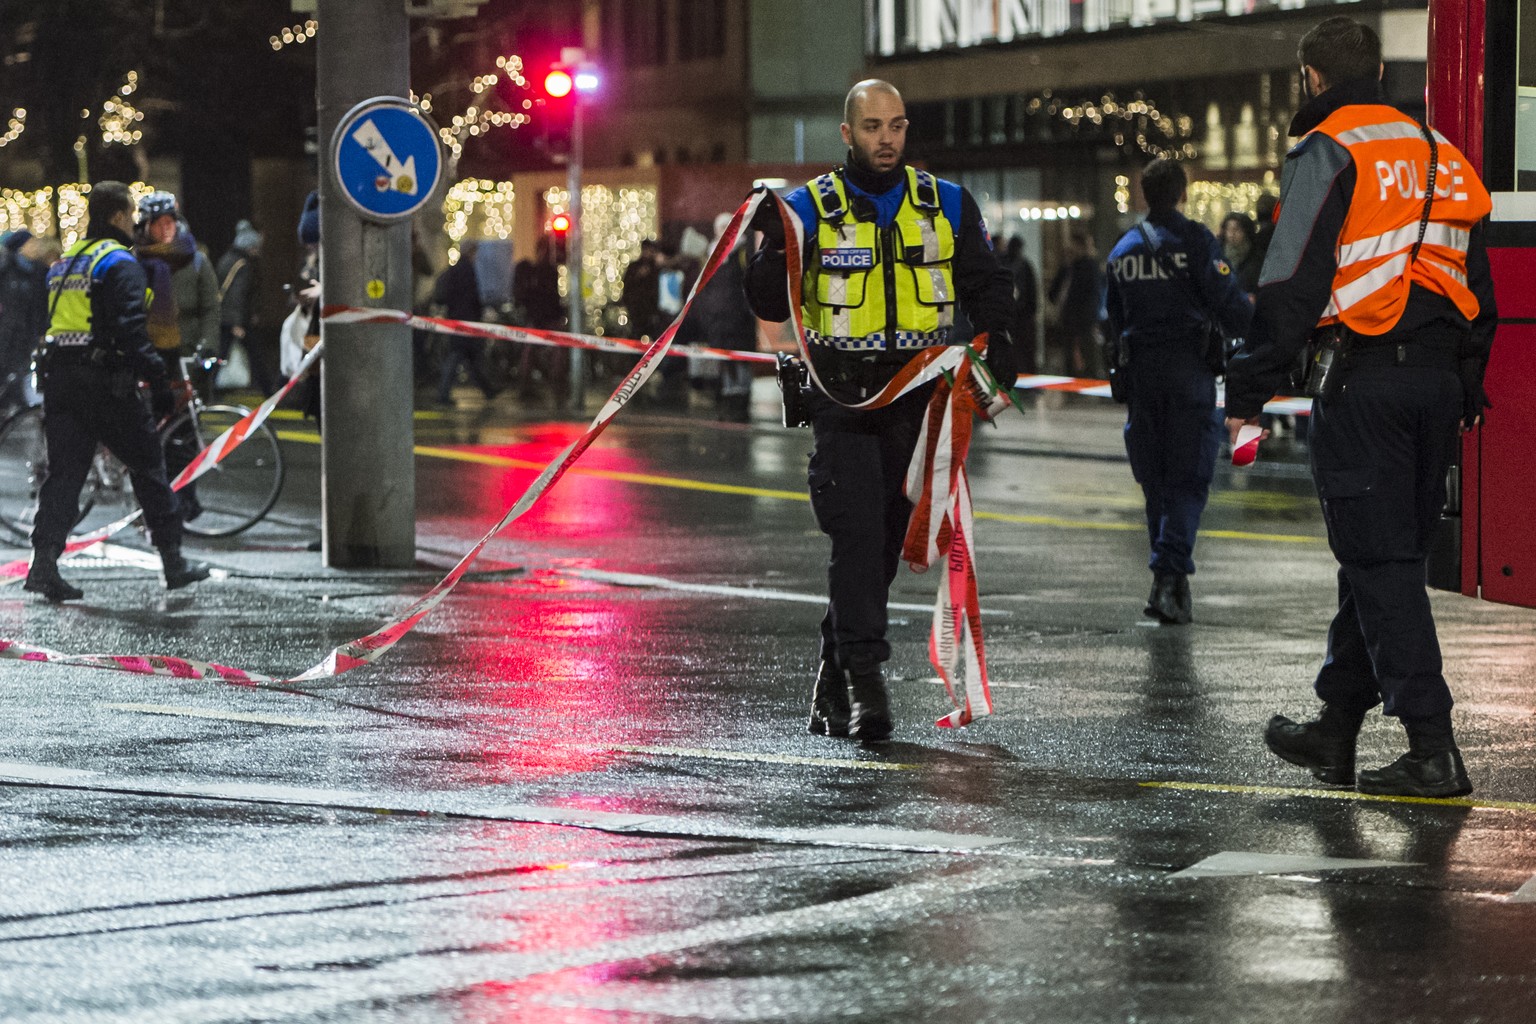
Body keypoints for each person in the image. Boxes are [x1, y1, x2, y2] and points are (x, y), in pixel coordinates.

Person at [1223, 16, 1496, 798]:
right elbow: (1479, 289)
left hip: (1364, 379)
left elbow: (1291, 283)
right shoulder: (1442, 153)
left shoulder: (1328, 148)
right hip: (1437, 384)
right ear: (1377, 70)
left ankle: (1432, 748)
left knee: (1378, 561)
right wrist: (1468, 383)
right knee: (1383, 556)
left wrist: (1247, 393)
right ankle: (1334, 729)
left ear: (1311, 78)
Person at [742, 79, 1016, 741]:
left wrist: (1000, 346)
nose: (886, 138)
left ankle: (831, 675)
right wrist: (770, 247)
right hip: (842, 403)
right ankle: (868, 684)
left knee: (885, 550)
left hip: (919, 408)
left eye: (896, 125)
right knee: (858, 539)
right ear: (847, 133)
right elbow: (770, 305)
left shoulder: (946, 203)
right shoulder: (806, 209)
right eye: (872, 127)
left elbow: (988, 286)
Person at [24, 181, 210, 603]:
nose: (132, 222)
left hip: (62, 381)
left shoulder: (67, 261)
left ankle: (44, 566)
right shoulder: (119, 263)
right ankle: (174, 563)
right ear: (116, 216)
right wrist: (160, 384)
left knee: (65, 476)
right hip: (105, 383)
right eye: (129, 214)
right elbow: (130, 331)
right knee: (148, 465)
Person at [1106, 159, 1253, 625]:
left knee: (1156, 483)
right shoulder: (1196, 241)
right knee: (1188, 481)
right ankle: (1168, 578)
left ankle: (1171, 585)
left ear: (1145, 195)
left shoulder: (1123, 250)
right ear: (1184, 194)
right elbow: (1230, 303)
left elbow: (1109, 321)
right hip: (1189, 374)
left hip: (1142, 379)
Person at [678, 212, 758, 422]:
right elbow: (702, 289)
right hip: (717, 320)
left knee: (740, 359)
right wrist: (704, 315)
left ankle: (741, 397)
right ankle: (727, 397)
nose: (724, 232)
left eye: (727, 227)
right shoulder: (710, 255)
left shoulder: (743, 252)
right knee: (721, 358)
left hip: (739, 320)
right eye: (721, 227)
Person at [133, 191, 220, 379]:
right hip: (149, 352)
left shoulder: (196, 261)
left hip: (188, 352)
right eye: (157, 223)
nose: (165, 228)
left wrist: (208, 345)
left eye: (169, 222)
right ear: (146, 226)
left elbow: (210, 308)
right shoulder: (135, 262)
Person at [432, 241, 499, 406]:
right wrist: (479, 313)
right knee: (458, 356)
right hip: (465, 321)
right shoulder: (467, 269)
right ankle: (443, 394)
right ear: (470, 252)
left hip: (457, 319)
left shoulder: (455, 269)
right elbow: (471, 297)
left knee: (471, 358)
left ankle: (488, 390)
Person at [214, 218, 270, 395]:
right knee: (255, 355)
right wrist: (237, 323)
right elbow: (237, 295)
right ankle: (268, 389)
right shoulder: (243, 265)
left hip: (224, 316)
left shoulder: (227, 259)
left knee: (221, 354)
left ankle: (207, 388)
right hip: (237, 318)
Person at [0, 229, 53, 408]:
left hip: (27, 331)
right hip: (9, 331)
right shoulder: (7, 270)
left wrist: (41, 329)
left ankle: (16, 403)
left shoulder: (38, 271)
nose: (35, 246)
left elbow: (40, 305)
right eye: (31, 242)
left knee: (22, 369)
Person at [1048, 228, 1107, 377]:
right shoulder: (1069, 267)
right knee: (1070, 352)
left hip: (1084, 318)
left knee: (1087, 352)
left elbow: (1093, 293)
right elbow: (1055, 292)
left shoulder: (1089, 266)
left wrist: (1090, 316)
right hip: (1070, 318)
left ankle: (1089, 380)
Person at [999, 236, 1040, 375]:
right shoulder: (1025, 265)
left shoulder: (1002, 265)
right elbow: (1033, 293)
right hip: (1023, 316)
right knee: (1025, 350)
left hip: (1009, 315)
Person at [1220, 212, 1262, 296]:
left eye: (1236, 229)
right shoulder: (1219, 255)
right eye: (1229, 229)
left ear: (1246, 232)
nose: (1232, 234)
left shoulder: (1256, 260)